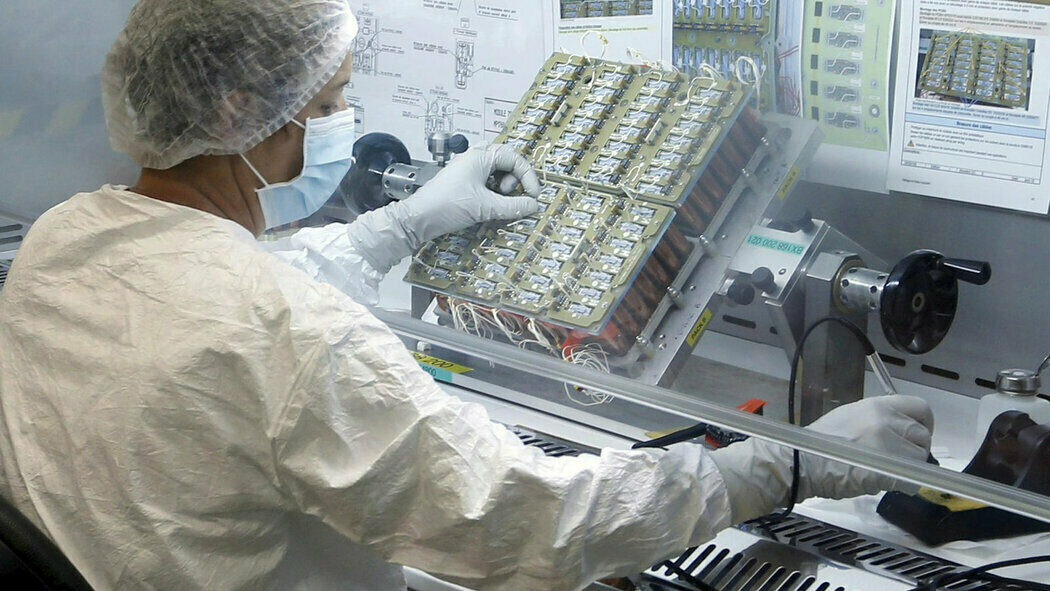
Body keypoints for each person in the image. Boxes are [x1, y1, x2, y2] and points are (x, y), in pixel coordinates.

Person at [0, 1, 935, 590]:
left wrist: (403, 225)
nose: (343, 123)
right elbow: (528, 521)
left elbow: (215, 295)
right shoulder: (294, 339)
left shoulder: (65, 238)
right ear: (242, 112)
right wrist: (790, 466)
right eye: (327, 104)